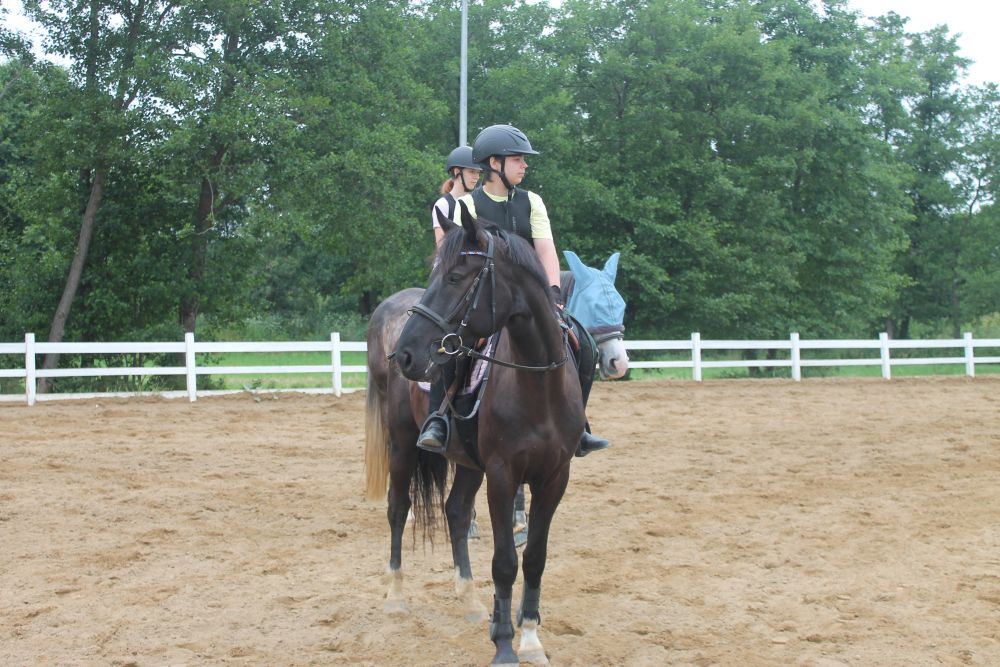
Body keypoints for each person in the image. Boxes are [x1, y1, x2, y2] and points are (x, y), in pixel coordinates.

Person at [417, 124, 610, 457]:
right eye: (518, 159)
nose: (525, 165)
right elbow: (462, 259)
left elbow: (546, 249)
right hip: (488, 301)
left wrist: (553, 293)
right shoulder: (468, 205)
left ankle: (577, 424)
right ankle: (438, 418)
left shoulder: (532, 202)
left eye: (524, 160)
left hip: (530, 301)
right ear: (495, 163)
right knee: (453, 346)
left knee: (584, 345)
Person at [432, 146, 482, 250]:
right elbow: (441, 246)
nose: (477, 177)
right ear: (457, 171)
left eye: (478, 172)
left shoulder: (477, 202)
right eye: (472, 171)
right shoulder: (443, 204)